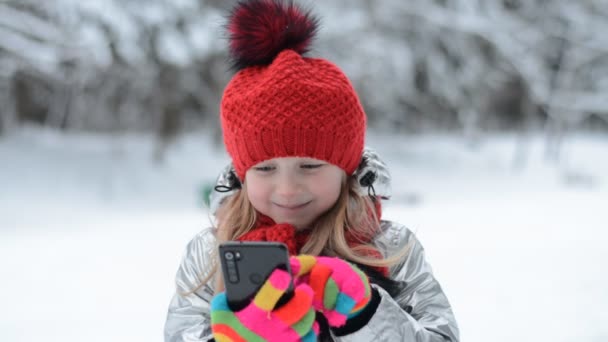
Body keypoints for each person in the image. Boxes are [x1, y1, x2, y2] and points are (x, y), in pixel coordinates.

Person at [164, 0, 459, 341]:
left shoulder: (391, 249)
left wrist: (364, 316)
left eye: (309, 165)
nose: (287, 188)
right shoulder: (211, 255)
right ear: (242, 176)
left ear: (346, 169)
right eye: (266, 169)